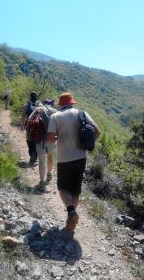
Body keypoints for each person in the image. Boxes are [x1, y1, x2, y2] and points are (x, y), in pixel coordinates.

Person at [47, 92, 100, 232]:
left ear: (61, 104)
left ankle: (71, 211)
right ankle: (72, 217)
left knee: (63, 188)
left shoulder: (55, 117)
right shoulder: (82, 113)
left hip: (64, 159)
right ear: (71, 103)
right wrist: (86, 142)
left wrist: (59, 137)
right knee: (75, 190)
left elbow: (51, 139)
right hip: (81, 158)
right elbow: (97, 131)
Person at [28, 99, 57, 191]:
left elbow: (29, 119)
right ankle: (49, 174)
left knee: (41, 160)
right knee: (50, 157)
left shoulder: (38, 109)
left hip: (40, 138)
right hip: (52, 139)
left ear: (44, 103)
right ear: (52, 104)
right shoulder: (56, 112)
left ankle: (41, 182)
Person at [20, 91, 41, 165]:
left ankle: (32, 155)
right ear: (36, 96)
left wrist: (21, 125)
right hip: (38, 126)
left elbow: (23, 116)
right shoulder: (40, 105)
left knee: (29, 140)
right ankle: (35, 156)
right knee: (37, 140)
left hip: (29, 126)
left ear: (30, 96)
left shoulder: (26, 105)